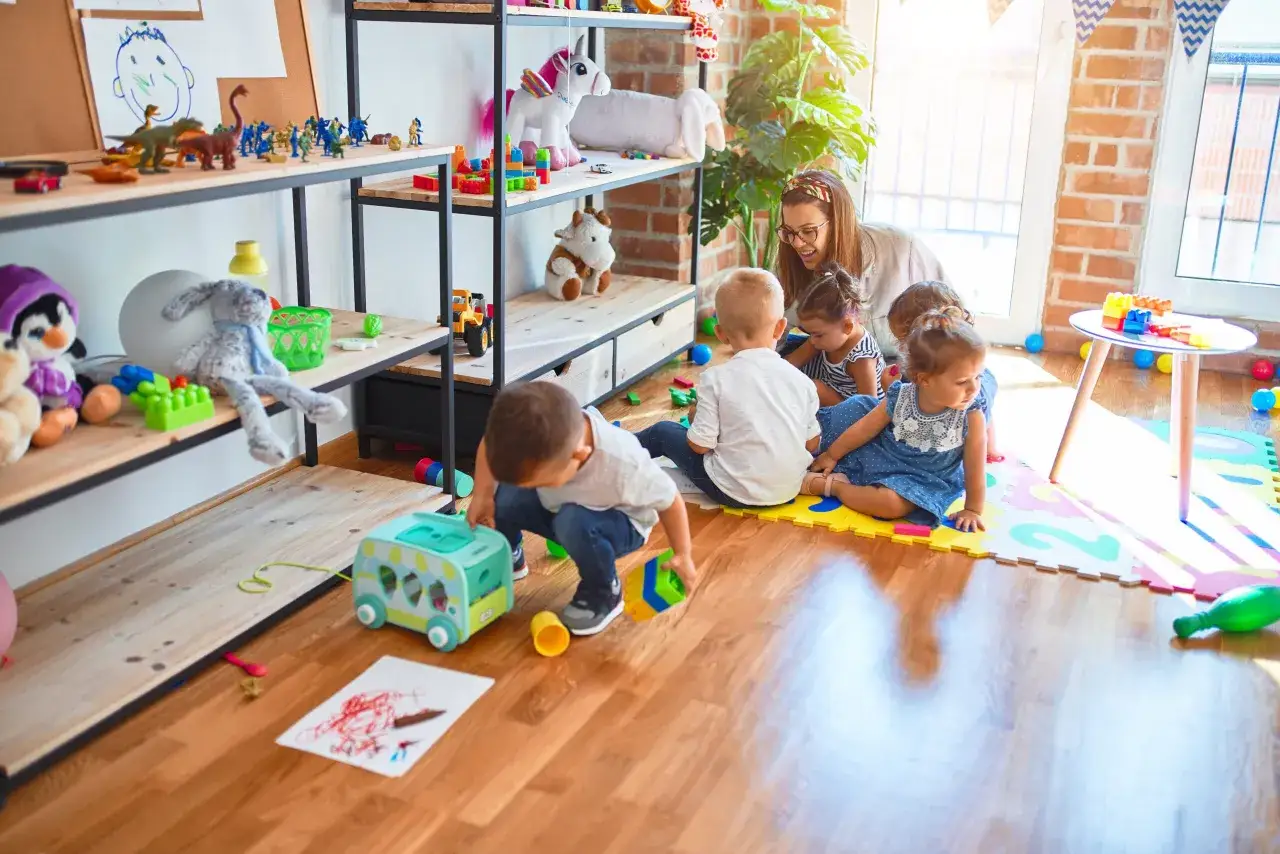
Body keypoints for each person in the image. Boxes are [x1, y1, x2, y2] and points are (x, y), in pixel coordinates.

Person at [467, 382, 696, 636]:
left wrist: (683, 554)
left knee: (572, 521)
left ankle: (604, 592)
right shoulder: (536, 442)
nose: (531, 487)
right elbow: (489, 444)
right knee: (506, 493)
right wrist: (483, 496)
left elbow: (670, 500)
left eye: (542, 481)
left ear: (579, 455)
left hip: (621, 523)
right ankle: (509, 555)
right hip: (560, 507)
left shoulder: (623, 462)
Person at [636, 269, 820, 508]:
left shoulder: (716, 379)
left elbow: (700, 445)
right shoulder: (802, 381)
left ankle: (611, 448)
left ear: (720, 334)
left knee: (663, 431)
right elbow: (812, 443)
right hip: (788, 488)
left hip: (731, 490)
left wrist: (695, 418)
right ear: (780, 327)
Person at [804, 307, 988, 532]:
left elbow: (975, 465)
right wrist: (832, 455)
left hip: (925, 480)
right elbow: (865, 428)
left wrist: (973, 509)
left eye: (978, 377)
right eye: (962, 381)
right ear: (924, 380)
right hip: (884, 455)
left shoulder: (971, 415)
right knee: (855, 410)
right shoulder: (901, 395)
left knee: (890, 505)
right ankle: (801, 440)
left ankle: (832, 486)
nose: (974, 388)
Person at [776, 170, 948, 360]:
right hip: (828, 367)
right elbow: (771, 343)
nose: (796, 243)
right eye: (788, 231)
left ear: (839, 223)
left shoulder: (901, 249)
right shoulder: (789, 265)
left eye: (808, 231)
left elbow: (956, 328)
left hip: (906, 367)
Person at [886, 280, 1003, 462]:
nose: (901, 348)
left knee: (977, 405)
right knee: (977, 401)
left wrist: (889, 389)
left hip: (971, 385)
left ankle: (988, 447)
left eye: (904, 341)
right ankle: (990, 446)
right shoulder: (935, 362)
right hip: (973, 380)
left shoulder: (957, 379)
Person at [784, 262, 885, 405]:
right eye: (810, 333)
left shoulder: (862, 359)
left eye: (817, 335)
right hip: (830, 385)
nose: (812, 340)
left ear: (847, 326)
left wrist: (821, 394)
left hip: (852, 407)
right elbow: (790, 363)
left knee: (814, 388)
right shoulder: (825, 336)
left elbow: (869, 407)